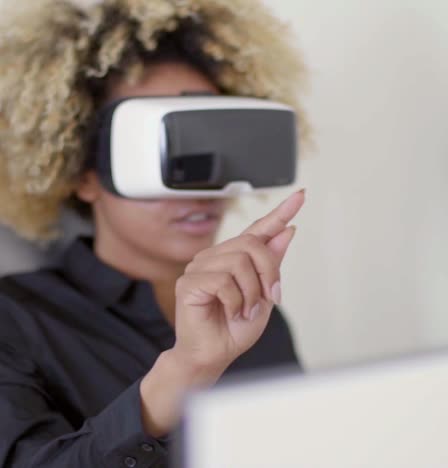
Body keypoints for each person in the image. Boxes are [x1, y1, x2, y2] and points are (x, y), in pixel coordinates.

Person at [0, 0, 310, 466]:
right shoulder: (14, 322)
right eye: (165, 156)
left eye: (212, 151)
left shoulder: (258, 323)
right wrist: (183, 372)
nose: (201, 190)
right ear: (83, 175)